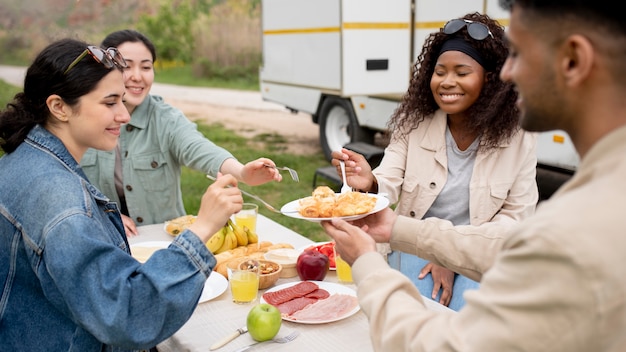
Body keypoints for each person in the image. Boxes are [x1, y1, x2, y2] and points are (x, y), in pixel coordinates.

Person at [322, 0, 626, 350]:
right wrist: (390, 216)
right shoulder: (594, 199)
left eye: (520, 53)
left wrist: (366, 263)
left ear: (574, 59)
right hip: (423, 246)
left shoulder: (571, 230)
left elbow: (443, 346)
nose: (508, 72)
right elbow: (508, 248)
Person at [0, 38, 244, 351]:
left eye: (123, 101)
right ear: (59, 107)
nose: (124, 115)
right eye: (110, 102)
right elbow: (129, 314)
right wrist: (203, 227)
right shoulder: (61, 200)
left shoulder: (22, 160)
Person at [331, 12, 538, 310]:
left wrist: (450, 254)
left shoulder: (520, 137)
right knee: (414, 315)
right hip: (412, 242)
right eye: (440, 71)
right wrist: (371, 182)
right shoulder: (414, 124)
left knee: (468, 320)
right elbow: (388, 178)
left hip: (480, 251)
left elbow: (516, 222)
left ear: (490, 79)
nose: (446, 82)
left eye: (462, 72)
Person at [80, 29, 281, 236]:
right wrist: (104, 214)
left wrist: (242, 172)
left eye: (146, 67)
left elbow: (197, 147)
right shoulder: (83, 117)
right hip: (103, 237)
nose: (137, 76)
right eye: (127, 66)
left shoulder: (165, 118)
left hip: (166, 239)